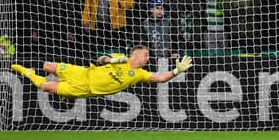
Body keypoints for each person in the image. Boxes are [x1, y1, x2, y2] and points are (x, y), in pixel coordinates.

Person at [11, 45, 192, 99]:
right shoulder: (120, 57)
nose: (148, 59)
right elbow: (100, 59)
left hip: (86, 89)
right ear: (135, 54)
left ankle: (27, 73)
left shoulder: (140, 74)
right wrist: (113, 60)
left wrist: (177, 70)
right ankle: (25, 66)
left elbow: (160, 78)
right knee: (47, 66)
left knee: (45, 86)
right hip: (83, 73)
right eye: (146, 55)